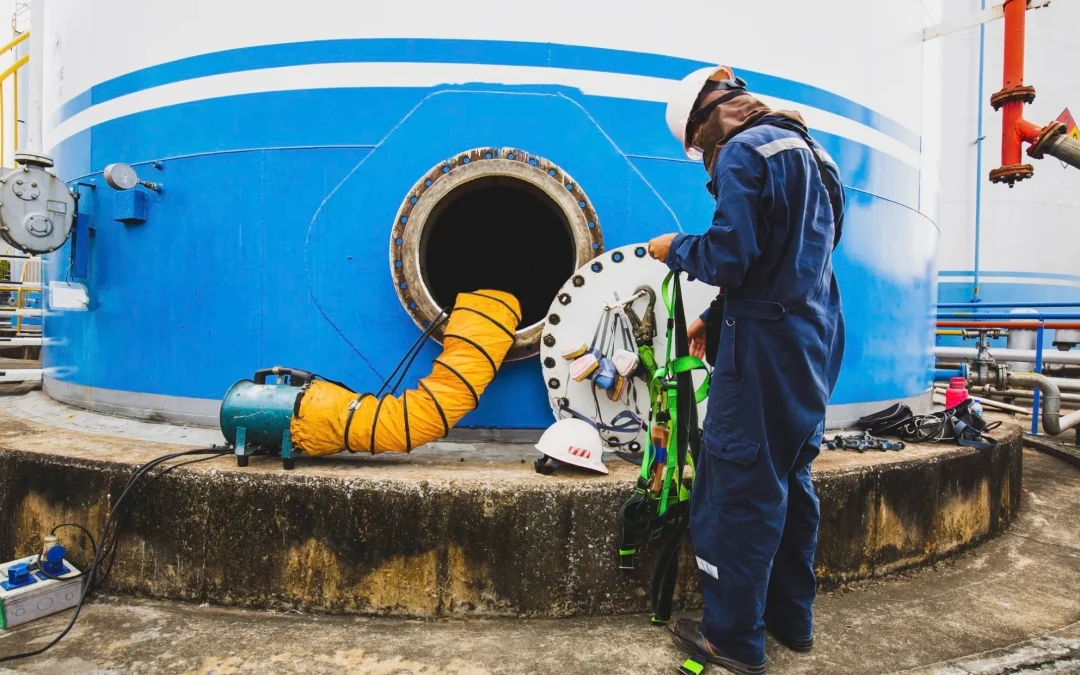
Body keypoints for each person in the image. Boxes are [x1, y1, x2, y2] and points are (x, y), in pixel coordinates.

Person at [647, 65, 846, 674]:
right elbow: (795, 255)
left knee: (738, 487)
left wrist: (672, 250)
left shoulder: (739, 153)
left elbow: (732, 255)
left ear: (703, 125)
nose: (703, 155)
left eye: (696, 146)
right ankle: (792, 619)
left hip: (762, 347)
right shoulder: (814, 152)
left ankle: (732, 639)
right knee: (790, 476)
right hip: (815, 335)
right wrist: (714, 314)